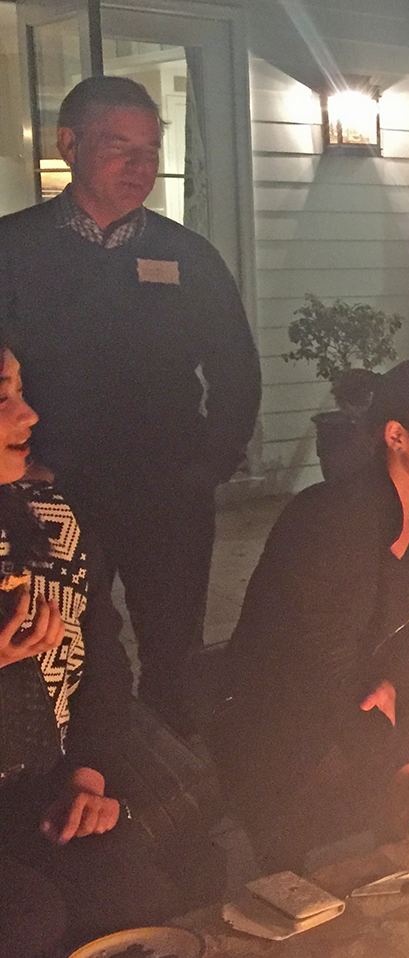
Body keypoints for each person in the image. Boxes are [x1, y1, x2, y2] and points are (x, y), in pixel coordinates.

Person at [0, 76, 261, 732]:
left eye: (151, 149)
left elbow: (236, 368)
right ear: (69, 144)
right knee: (65, 639)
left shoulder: (186, 255)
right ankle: (84, 766)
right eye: (121, 148)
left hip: (166, 488)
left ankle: (171, 769)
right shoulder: (14, 249)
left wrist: (210, 464)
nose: (141, 166)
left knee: (173, 644)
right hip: (51, 492)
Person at [211, 360, 409, 872]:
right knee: (349, 758)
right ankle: (300, 883)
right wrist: (395, 760)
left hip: (373, 689)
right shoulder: (330, 518)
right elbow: (319, 661)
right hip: (287, 704)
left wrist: (394, 679)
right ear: (396, 435)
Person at [0, 346, 183, 958]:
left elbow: (102, 665)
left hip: (43, 789)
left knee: (138, 901)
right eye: (3, 398)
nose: (29, 416)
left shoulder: (54, 524)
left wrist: (87, 775)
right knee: (28, 917)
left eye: (22, 391)